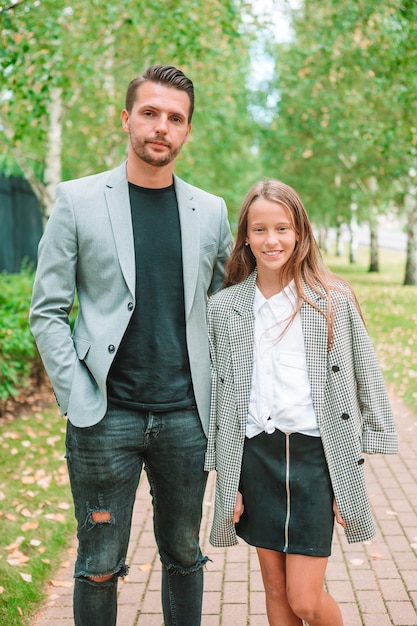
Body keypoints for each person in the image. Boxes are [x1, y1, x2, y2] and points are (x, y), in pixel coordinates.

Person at [29, 64, 233, 626]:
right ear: (126, 119)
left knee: (186, 558)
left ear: (187, 130)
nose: (161, 127)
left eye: (175, 118)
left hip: (188, 418)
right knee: (98, 562)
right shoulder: (76, 201)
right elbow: (47, 312)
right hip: (103, 418)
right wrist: (77, 397)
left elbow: (229, 311)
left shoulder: (211, 211)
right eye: (150, 113)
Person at [205, 178, 398, 626]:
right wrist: (225, 478)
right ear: (246, 238)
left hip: (315, 457)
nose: (271, 240)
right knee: (275, 589)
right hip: (256, 457)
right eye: (259, 230)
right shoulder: (225, 307)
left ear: (300, 233)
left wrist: (365, 448)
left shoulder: (332, 300)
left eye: (282, 228)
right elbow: (220, 397)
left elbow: (366, 371)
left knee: (306, 600)